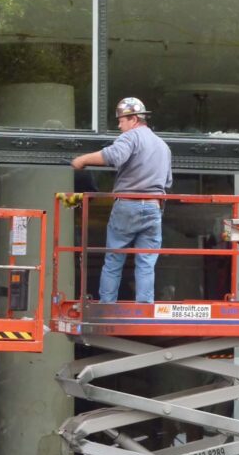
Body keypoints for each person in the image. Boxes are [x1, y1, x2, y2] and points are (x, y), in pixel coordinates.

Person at [70, 97, 172, 303]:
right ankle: (144, 307)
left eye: (121, 120)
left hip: (128, 205)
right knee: (146, 262)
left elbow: (114, 156)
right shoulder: (163, 146)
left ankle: (107, 306)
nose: (119, 125)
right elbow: (167, 182)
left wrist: (82, 160)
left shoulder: (131, 137)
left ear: (134, 119)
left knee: (114, 259)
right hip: (154, 207)